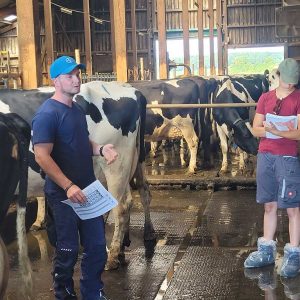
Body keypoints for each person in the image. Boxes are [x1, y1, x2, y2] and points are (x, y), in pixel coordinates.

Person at [32, 56, 118, 300]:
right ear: (56, 80)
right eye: (69, 76)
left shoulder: (77, 110)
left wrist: (101, 149)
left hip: (88, 192)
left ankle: (93, 292)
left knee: (97, 247)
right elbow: (41, 156)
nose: (76, 79)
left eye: (78, 74)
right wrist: (68, 186)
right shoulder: (47, 114)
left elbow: (81, 142)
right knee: (68, 250)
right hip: (64, 196)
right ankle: (64, 294)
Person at [244, 58, 300, 278]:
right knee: (269, 205)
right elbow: (255, 129)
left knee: (293, 208)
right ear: (279, 76)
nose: (291, 85)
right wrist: (270, 130)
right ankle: (267, 250)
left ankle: (294, 254)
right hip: (265, 156)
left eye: (294, 81)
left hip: (287, 158)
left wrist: (277, 131)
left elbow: (298, 133)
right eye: (287, 80)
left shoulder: (298, 99)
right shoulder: (265, 98)